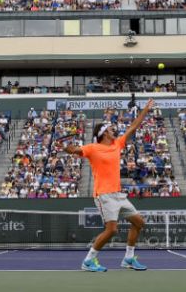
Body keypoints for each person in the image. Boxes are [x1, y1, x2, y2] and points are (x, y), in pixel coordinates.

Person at [63, 98, 155, 272]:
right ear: (104, 133)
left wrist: (146, 109)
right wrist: (68, 148)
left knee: (139, 222)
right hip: (103, 195)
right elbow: (75, 151)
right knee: (112, 230)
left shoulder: (117, 144)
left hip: (118, 195)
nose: (114, 130)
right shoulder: (92, 148)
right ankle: (88, 261)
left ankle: (128, 258)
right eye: (111, 129)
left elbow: (134, 126)